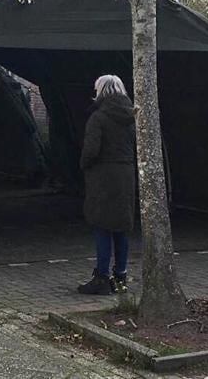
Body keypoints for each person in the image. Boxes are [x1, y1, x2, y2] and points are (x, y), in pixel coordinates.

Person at [77, 75, 136, 295]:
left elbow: (91, 150)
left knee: (101, 225)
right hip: (126, 175)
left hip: (103, 176)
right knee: (122, 228)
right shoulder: (133, 116)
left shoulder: (98, 118)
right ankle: (120, 277)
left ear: (100, 91)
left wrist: (84, 165)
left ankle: (101, 277)